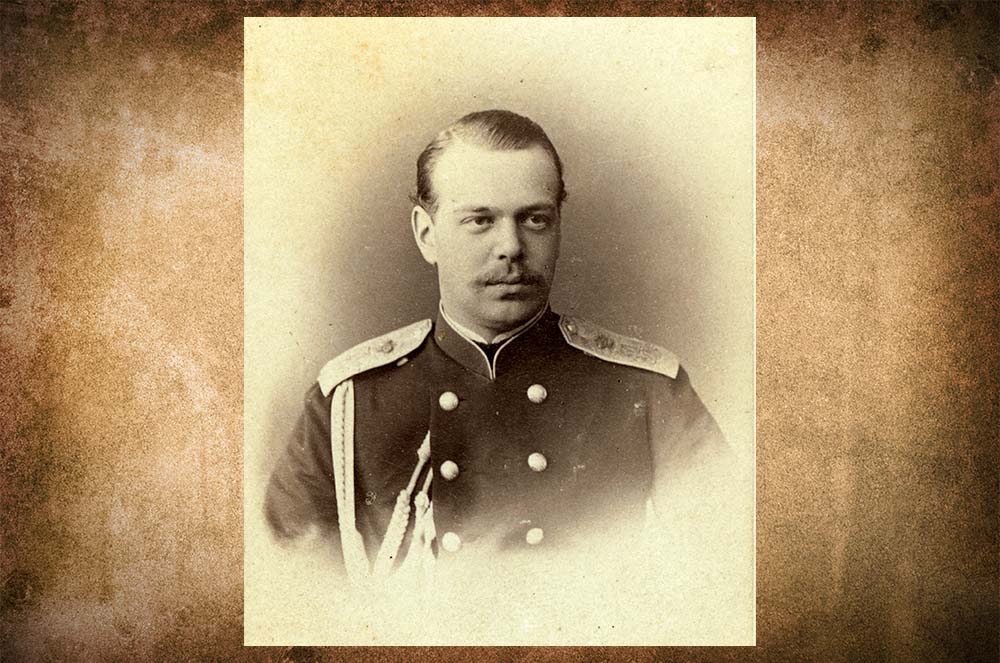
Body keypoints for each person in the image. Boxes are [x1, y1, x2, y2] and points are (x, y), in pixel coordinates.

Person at [263, 110, 744, 623]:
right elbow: (296, 599)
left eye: (535, 219)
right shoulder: (349, 401)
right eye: (480, 220)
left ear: (557, 228)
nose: (512, 248)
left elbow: (725, 580)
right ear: (427, 234)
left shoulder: (648, 390)